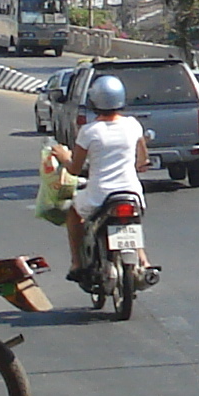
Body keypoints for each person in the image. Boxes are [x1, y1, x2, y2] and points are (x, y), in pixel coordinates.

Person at [49, 71, 150, 283]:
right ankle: (144, 261)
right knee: (132, 223)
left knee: (74, 213)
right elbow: (143, 159)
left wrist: (64, 156)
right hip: (131, 192)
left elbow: (75, 169)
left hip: (100, 196)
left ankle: (76, 262)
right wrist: (139, 164)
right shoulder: (133, 125)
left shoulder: (89, 131)